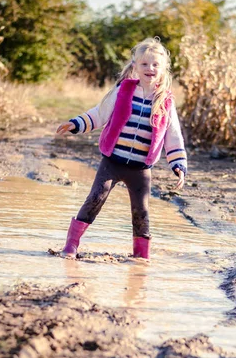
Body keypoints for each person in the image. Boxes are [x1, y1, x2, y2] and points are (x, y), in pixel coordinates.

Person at [55, 36, 187, 260]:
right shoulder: (123, 90)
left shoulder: (165, 100)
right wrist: (76, 124)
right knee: (96, 197)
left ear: (163, 69)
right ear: (135, 66)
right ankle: (71, 245)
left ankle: (141, 257)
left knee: (141, 212)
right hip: (113, 161)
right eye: (144, 64)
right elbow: (99, 114)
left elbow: (173, 135)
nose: (150, 68)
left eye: (155, 65)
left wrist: (178, 164)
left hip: (140, 168)